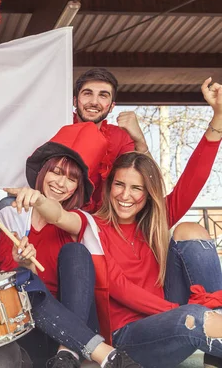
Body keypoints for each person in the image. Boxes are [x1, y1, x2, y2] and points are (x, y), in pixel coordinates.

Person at [12, 77, 222, 367]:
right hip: (129, 336)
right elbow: (59, 215)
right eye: (119, 185)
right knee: (197, 317)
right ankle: (211, 324)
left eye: (136, 188)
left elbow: (193, 179)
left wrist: (218, 119)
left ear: (147, 194)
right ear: (108, 187)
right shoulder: (91, 226)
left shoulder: (154, 221)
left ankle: (215, 343)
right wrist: (36, 198)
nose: (125, 196)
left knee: (191, 231)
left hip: (174, 317)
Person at [0, 148, 139, 368]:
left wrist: (23, 261)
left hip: (6, 327)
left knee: (25, 279)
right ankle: (107, 355)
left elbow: (27, 288)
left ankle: (73, 353)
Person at [0, 122, 108, 366]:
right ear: (43, 172)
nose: (60, 182)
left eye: (71, 179)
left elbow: (57, 215)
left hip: (75, 331)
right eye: (56, 172)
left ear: (77, 188)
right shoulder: (10, 215)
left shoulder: (81, 222)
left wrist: (39, 200)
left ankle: (68, 353)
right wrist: (27, 265)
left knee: (75, 251)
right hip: (30, 325)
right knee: (21, 278)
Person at [73, 68, 149, 211]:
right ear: (75, 100)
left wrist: (139, 140)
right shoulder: (58, 125)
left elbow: (149, 181)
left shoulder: (119, 137)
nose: (94, 102)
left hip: (101, 221)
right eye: (88, 93)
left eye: (103, 95)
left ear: (112, 106)